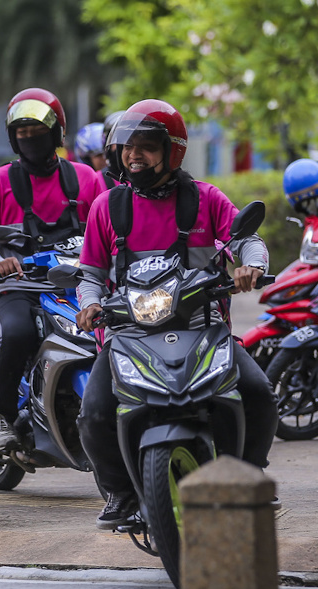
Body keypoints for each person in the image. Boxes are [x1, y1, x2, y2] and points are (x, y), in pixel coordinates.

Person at [74, 98, 278, 529]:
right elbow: (89, 273)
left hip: (203, 328)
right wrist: (89, 303)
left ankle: (249, 475)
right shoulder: (106, 207)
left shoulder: (206, 199)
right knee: (93, 412)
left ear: (174, 150)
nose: (134, 155)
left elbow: (248, 239)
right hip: (127, 335)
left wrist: (252, 265)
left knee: (257, 391)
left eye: (147, 145)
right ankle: (122, 493)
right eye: (128, 147)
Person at [0, 87, 103, 452]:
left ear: (59, 133)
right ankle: (0, 415)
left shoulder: (87, 179)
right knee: (17, 333)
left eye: (38, 132)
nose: (30, 140)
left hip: (78, 283)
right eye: (22, 134)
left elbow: (108, 232)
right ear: (13, 139)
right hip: (18, 286)